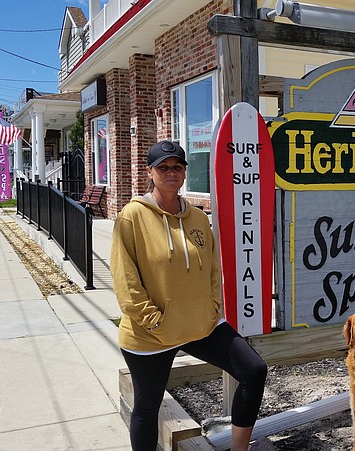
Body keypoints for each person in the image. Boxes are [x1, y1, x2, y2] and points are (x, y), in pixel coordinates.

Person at [111, 140, 267, 451]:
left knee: (253, 370)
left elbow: (212, 269)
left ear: (184, 173)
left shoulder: (197, 217)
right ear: (150, 173)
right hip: (151, 335)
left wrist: (212, 308)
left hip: (199, 324)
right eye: (163, 167)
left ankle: (239, 449)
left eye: (177, 167)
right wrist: (153, 320)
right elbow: (125, 279)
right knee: (147, 407)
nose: (171, 172)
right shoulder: (132, 216)